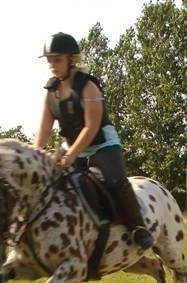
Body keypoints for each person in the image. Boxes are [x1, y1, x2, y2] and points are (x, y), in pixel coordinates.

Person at [34, 32, 153, 250]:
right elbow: (44, 129)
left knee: (115, 181)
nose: (52, 65)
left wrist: (70, 157)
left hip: (101, 144)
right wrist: (34, 156)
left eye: (57, 59)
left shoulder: (88, 87)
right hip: (72, 147)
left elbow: (91, 127)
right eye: (49, 60)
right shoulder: (51, 93)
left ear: (72, 59)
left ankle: (138, 226)